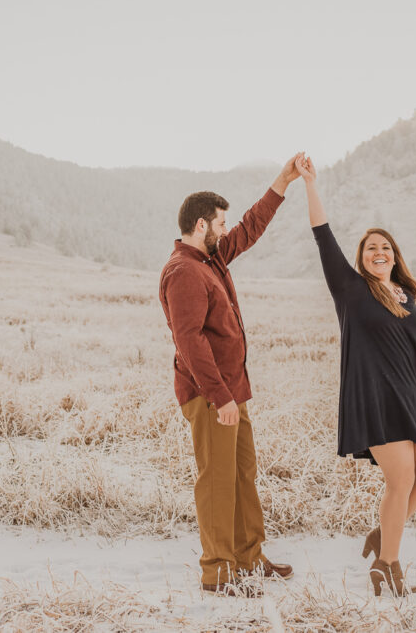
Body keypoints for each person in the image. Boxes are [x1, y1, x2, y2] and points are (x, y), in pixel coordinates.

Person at [296, 155, 416, 597]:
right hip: (374, 396)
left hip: (415, 395)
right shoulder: (351, 289)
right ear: (361, 258)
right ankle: (387, 564)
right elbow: (323, 235)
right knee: (401, 480)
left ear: (395, 256)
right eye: (371, 248)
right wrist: (310, 184)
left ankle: (381, 537)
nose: (379, 252)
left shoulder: (407, 294)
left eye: (385, 247)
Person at [158, 154, 304, 597]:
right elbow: (191, 341)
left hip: (230, 393)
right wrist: (220, 398)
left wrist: (283, 180)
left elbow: (250, 227)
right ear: (201, 226)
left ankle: (248, 558)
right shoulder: (184, 271)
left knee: (242, 474)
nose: (227, 230)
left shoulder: (210, 261)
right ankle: (218, 572)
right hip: (210, 396)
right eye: (220, 223)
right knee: (218, 481)